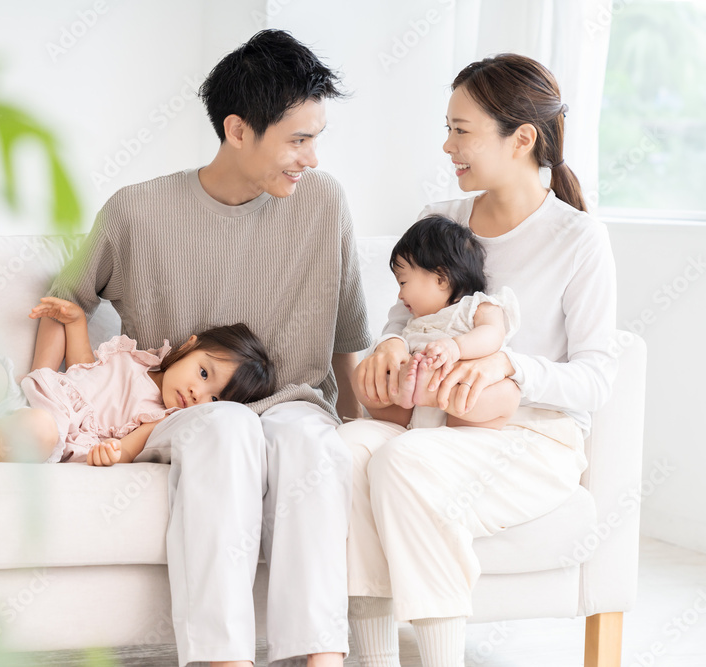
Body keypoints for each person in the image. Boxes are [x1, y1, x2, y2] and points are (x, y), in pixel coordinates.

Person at [33, 29, 369, 667]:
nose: (312, 158)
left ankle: (321, 657)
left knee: (310, 441)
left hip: (293, 402)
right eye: (298, 140)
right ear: (238, 130)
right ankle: (222, 658)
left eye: (316, 138)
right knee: (225, 426)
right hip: (176, 413)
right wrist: (44, 403)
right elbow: (65, 300)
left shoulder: (325, 202)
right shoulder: (136, 210)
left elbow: (348, 332)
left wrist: (361, 423)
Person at [343, 53, 618, 667]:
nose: (448, 146)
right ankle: (374, 658)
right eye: (448, 128)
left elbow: (597, 378)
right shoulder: (438, 221)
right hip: (435, 422)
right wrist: (389, 347)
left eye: (461, 130)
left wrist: (510, 366)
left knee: (406, 461)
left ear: (522, 139)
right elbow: (403, 320)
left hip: (531, 438)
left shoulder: (578, 239)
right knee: (344, 450)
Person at [0, 296, 276, 466]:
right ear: (189, 347)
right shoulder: (134, 356)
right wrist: (75, 322)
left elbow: (127, 450)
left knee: (39, 427)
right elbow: (83, 369)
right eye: (203, 373)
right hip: (16, 400)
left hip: (43, 434)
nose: (196, 393)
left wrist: (111, 454)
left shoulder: (160, 418)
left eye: (214, 400)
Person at [357, 214, 521, 431]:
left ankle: (431, 394)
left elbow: (493, 333)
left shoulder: (477, 306)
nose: (400, 295)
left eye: (403, 282)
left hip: (460, 408)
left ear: (441, 279)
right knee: (362, 373)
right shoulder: (413, 323)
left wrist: (456, 347)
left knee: (509, 393)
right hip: (408, 412)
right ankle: (404, 392)